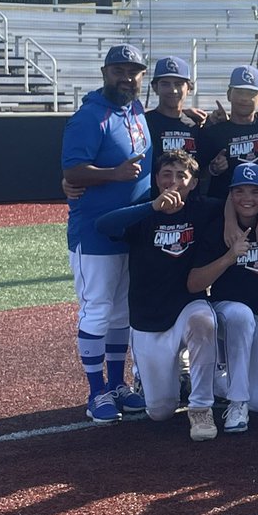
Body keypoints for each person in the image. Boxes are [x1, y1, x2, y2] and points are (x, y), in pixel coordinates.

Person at [94, 150, 221, 441]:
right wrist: (152, 206)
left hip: (187, 306)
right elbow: (103, 225)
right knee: (160, 412)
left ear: (192, 183)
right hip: (149, 317)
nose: (174, 182)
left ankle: (201, 407)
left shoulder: (201, 208)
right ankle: (172, 378)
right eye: (167, 174)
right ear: (157, 179)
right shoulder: (143, 212)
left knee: (204, 321)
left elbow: (243, 204)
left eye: (181, 176)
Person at [61, 43, 151, 424]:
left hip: (131, 230)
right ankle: (95, 391)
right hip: (95, 233)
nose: (126, 77)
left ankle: (117, 384)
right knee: (97, 310)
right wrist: (113, 174)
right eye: (119, 70)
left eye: (133, 71)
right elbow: (73, 173)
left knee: (121, 314)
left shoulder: (135, 109)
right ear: (104, 72)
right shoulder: (89, 116)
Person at [188, 162, 258, 434]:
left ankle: (217, 379)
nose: (247, 199)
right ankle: (237, 402)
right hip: (227, 311)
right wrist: (229, 257)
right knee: (241, 315)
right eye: (239, 192)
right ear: (230, 195)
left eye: (255, 193)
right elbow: (195, 282)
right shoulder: (219, 228)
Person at [199, 65, 258, 199]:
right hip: (223, 208)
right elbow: (197, 175)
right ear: (229, 95)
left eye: (251, 93)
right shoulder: (213, 133)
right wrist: (213, 170)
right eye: (239, 92)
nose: (244, 98)